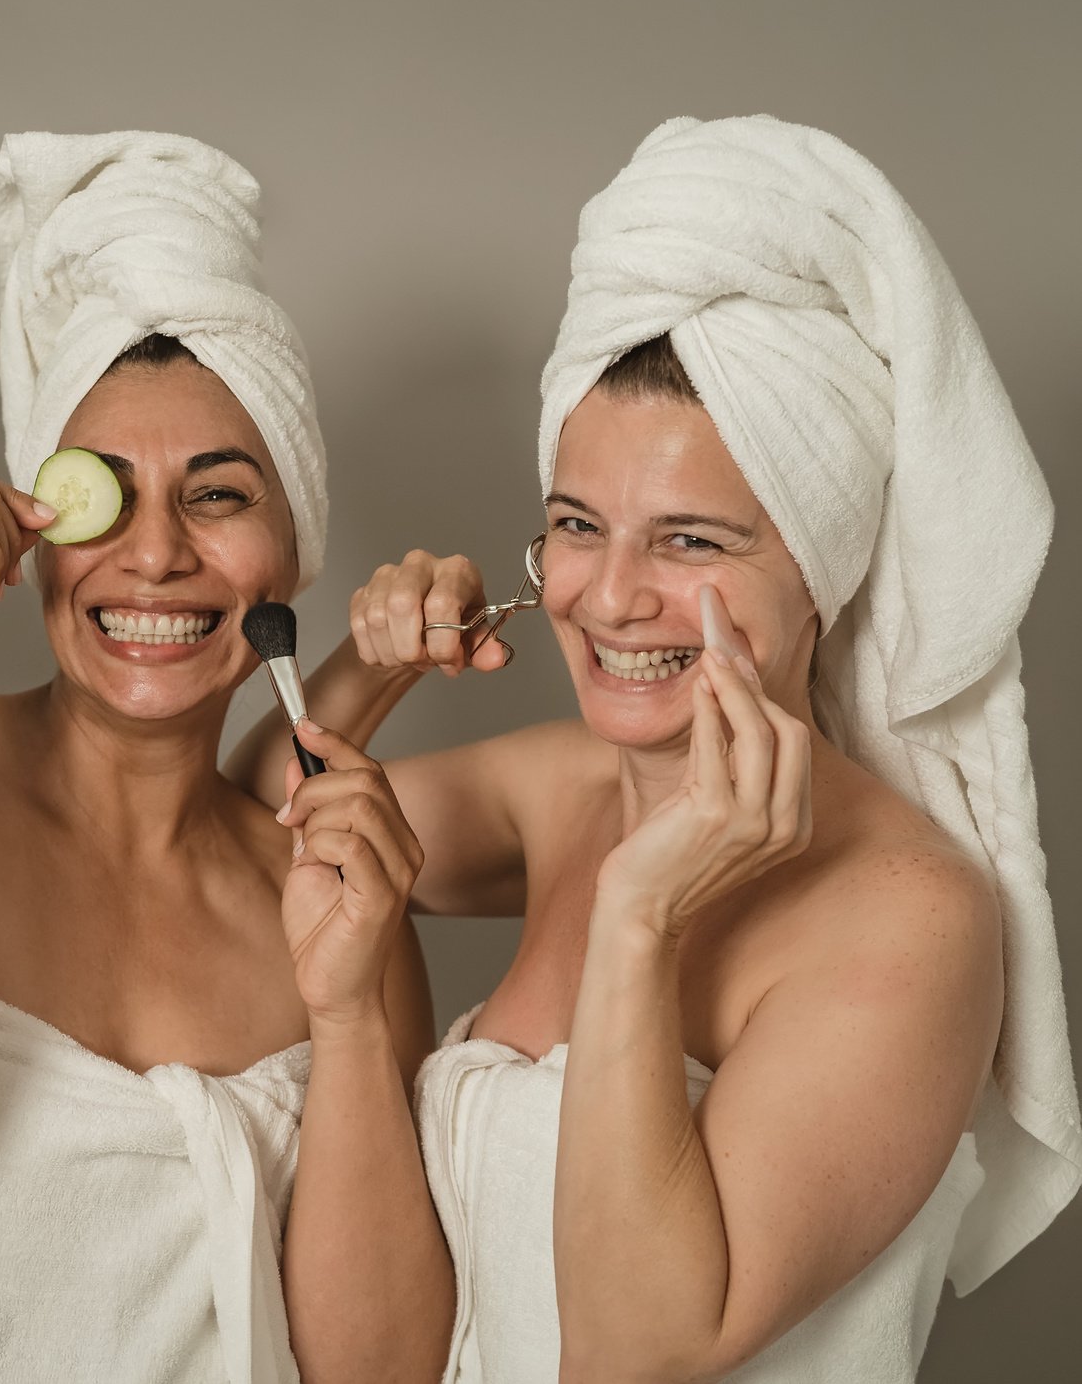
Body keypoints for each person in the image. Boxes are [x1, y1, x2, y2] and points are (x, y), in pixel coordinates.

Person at [234, 115, 1080, 1381]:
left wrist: (640, 917)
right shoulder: (557, 788)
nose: (612, 597)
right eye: (579, 525)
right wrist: (376, 662)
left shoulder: (912, 918)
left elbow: (634, 1350)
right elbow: (267, 811)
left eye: (691, 541)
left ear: (821, 572)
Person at [0, 132, 449, 1383]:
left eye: (217, 495)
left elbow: (379, 1372)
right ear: (33, 535)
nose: (155, 554)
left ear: (293, 549)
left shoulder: (339, 892)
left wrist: (341, 1010)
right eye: (101, 495)